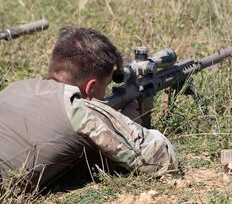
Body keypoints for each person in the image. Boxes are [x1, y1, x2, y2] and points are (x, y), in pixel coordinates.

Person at [0, 27, 178, 191]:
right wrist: (128, 121)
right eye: (106, 86)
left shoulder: (16, 88)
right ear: (90, 87)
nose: (106, 93)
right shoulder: (80, 111)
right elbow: (161, 160)